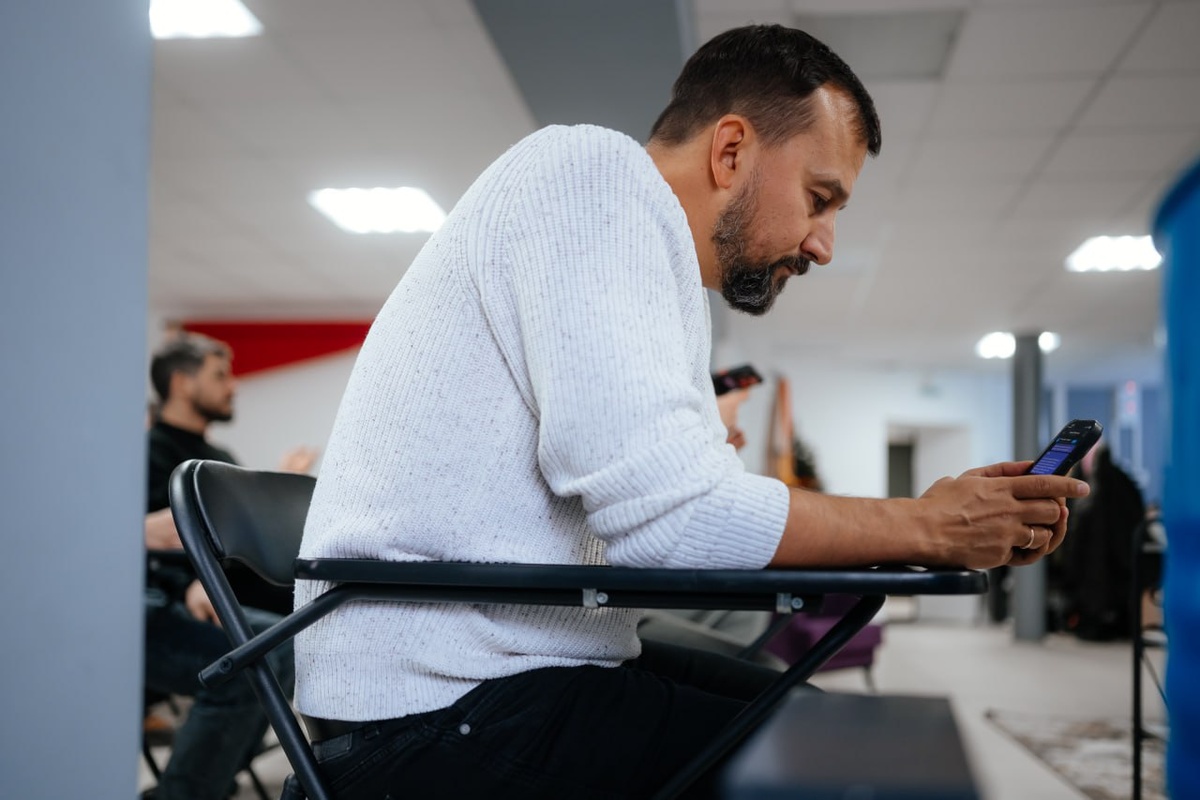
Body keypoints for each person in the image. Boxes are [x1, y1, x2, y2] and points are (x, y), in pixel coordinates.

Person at [295, 25, 1088, 799]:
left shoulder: (660, 268)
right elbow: (676, 518)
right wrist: (930, 526)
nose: (824, 244)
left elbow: (690, 514)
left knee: (819, 720)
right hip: (429, 708)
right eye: (819, 199)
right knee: (862, 764)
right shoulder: (589, 177)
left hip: (512, 670)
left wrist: (936, 527)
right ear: (731, 150)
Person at [142, 333, 309, 800]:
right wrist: (195, 577)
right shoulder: (149, 454)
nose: (233, 386)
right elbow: (158, 538)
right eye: (220, 375)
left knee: (291, 639)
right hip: (169, 602)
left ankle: (215, 773)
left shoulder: (219, 461)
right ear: (181, 383)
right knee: (263, 656)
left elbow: (235, 540)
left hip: (224, 593)